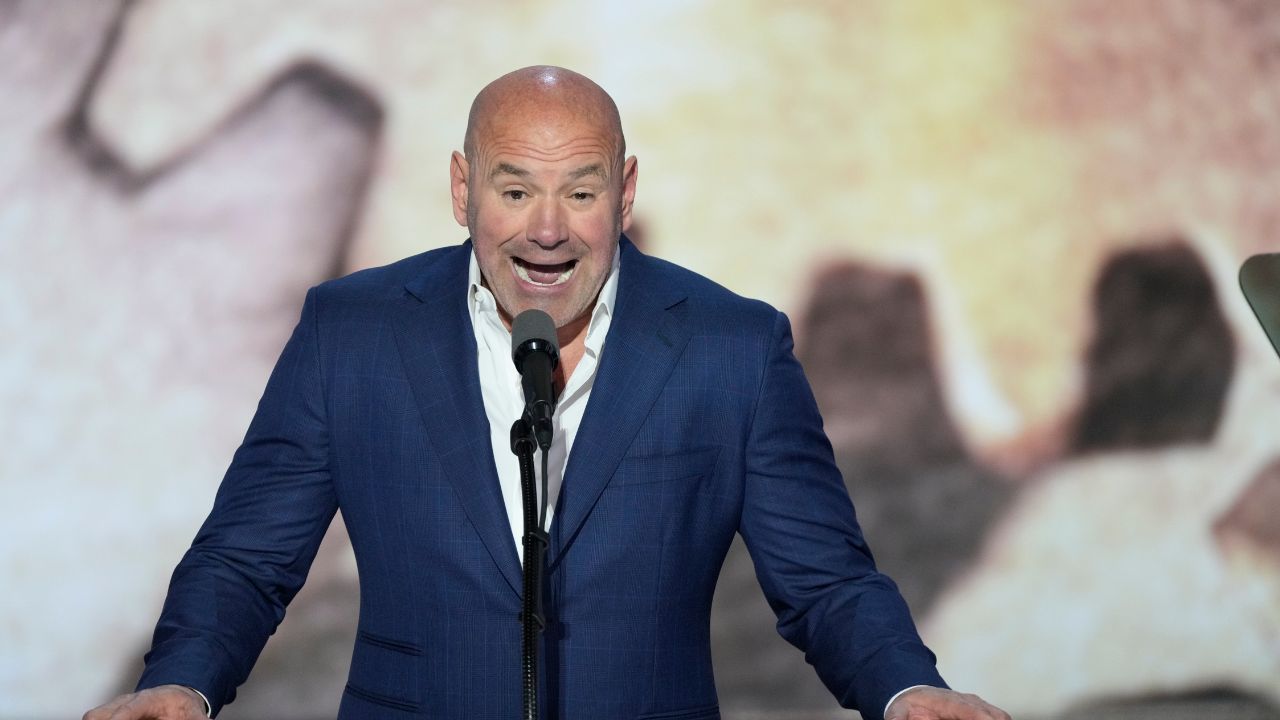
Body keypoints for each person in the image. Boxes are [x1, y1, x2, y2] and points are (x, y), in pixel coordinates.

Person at [86, 66, 1011, 720]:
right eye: (514, 188)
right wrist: (184, 683)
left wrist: (905, 691)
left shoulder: (733, 348)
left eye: (581, 190)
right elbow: (247, 558)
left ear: (626, 191)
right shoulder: (353, 334)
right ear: (461, 188)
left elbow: (826, 581)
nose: (547, 230)